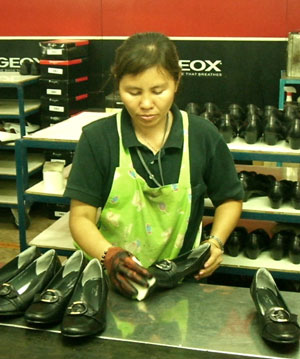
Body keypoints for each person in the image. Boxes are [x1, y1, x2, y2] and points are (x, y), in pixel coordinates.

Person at [64, 32, 243, 298]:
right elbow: (80, 217)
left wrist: (215, 242)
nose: (146, 104)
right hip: (109, 281)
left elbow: (229, 198)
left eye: (158, 91)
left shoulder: (201, 135)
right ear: (118, 84)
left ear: (177, 81)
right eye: (133, 92)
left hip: (178, 283)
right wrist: (109, 255)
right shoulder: (98, 138)